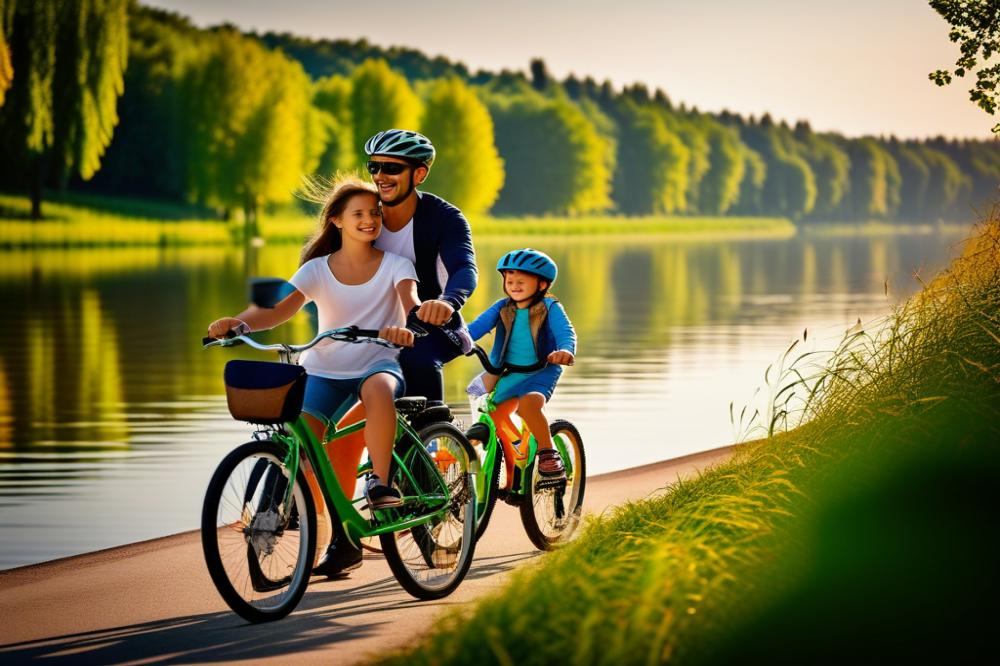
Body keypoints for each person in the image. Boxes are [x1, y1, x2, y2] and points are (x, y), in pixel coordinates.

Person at [316, 129, 479, 576]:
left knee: (418, 361)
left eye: (392, 168)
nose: (381, 176)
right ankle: (344, 539)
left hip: (428, 327)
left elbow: (464, 267)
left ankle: (433, 485)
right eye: (375, 167)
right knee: (340, 430)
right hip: (366, 335)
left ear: (419, 173)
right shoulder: (363, 215)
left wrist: (447, 302)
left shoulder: (444, 219)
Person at [206, 177, 418, 511]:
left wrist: (405, 328)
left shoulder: (396, 264)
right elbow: (277, 308)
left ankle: (379, 480)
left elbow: (411, 302)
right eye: (359, 213)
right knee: (302, 442)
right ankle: (316, 526)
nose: (369, 220)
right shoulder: (317, 269)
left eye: (375, 213)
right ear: (337, 220)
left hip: (377, 362)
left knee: (379, 391)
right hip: (322, 369)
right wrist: (239, 323)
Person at [466, 248, 577, 480]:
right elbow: (474, 328)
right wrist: (452, 339)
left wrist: (565, 350)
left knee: (529, 406)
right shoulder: (502, 307)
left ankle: (548, 453)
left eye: (521, 281)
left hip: (542, 371)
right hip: (508, 372)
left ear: (542, 285)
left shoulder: (549, 308)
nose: (514, 286)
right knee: (492, 415)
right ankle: (516, 454)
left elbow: (565, 331)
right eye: (510, 280)